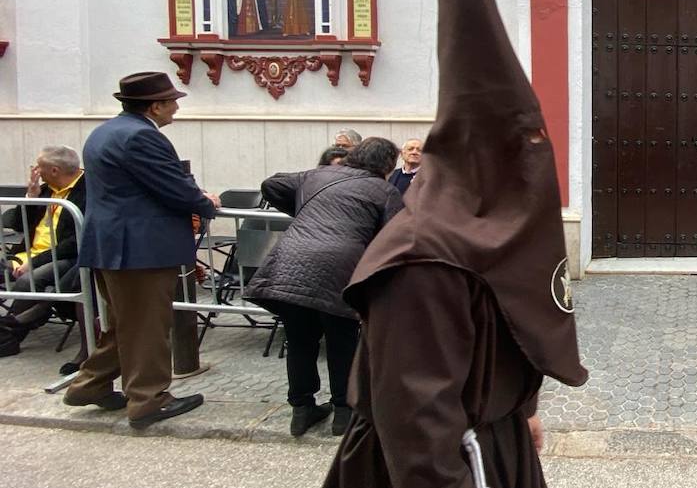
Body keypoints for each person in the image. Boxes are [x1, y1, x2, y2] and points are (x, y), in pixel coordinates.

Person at [301, 0, 587, 488]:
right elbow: (414, 419)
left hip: (494, 451)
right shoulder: (421, 255)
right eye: (520, 145)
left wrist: (518, 407)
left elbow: (505, 321)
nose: (535, 162)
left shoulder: (480, 231)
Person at [62, 72, 219, 428]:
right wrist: (206, 202)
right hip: (140, 249)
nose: (176, 107)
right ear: (156, 105)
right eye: (172, 101)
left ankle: (90, 385)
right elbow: (172, 188)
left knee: (122, 326)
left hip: (112, 244)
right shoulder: (142, 138)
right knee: (147, 326)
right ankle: (149, 399)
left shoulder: (105, 132)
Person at [245, 137, 403, 437]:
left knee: (299, 340)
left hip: (291, 261)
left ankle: (301, 411)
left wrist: (305, 210)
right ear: (387, 165)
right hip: (341, 268)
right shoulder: (385, 190)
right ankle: (343, 412)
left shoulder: (316, 175)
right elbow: (394, 234)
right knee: (341, 341)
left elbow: (270, 184)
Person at [0, 146, 87, 360]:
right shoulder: (47, 188)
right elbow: (19, 226)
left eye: (39, 168)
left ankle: (9, 337)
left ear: (55, 170)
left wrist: (35, 262)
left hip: (63, 258)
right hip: (26, 255)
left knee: (28, 281)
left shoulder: (87, 191)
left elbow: (74, 243)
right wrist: (31, 196)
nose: (36, 172)